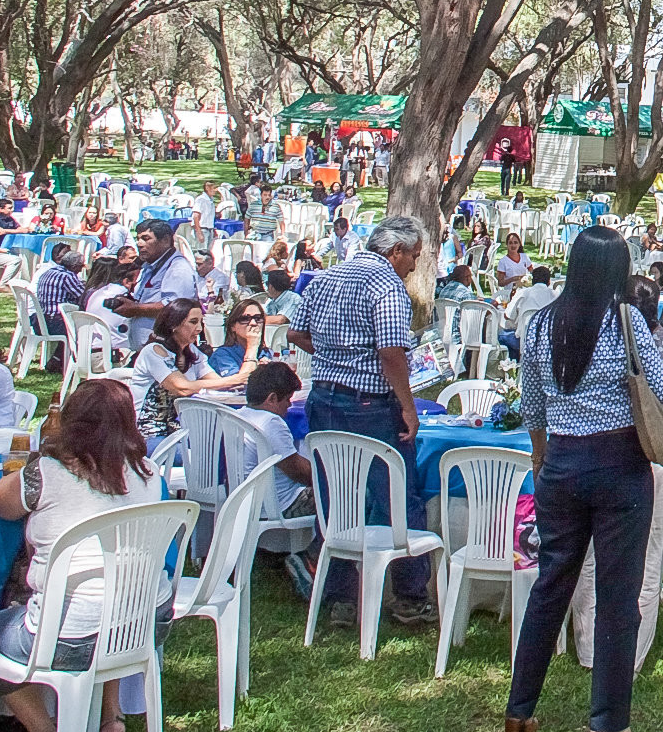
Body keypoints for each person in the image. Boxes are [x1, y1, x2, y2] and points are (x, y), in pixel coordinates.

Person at [506, 227, 663, 732]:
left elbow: (532, 406)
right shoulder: (625, 324)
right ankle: (608, 721)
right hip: (620, 464)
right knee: (617, 597)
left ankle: (519, 710)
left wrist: (543, 454)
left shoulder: (537, 326)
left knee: (550, 586)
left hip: (560, 461)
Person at [0, 378, 169, 732]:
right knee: (116, 592)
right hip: (148, 622)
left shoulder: (48, 473)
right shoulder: (149, 471)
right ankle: (110, 718)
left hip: (72, 636)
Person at [289, 216, 437, 629]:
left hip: (324, 398)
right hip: (369, 404)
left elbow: (296, 334)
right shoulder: (387, 286)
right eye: (413, 258)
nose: (413, 266)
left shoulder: (326, 277)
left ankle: (340, 598)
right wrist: (408, 406)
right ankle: (409, 597)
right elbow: (392, 351)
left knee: (335, 497)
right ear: (396, 252)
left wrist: (337, 352)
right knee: (397, 496)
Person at [569, 277, 663, 676]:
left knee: (594, 553)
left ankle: (591, 649)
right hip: (658, 454)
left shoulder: (595, 340)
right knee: (647, 555)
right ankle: (630, 654)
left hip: (605, 452)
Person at [133, 299, 250, 442]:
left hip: (180, 431)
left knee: (227, 442)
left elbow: (219, 383)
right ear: (174, 324)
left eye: (201, 322)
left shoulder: (192, 351)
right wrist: (236, 379)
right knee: (212, 451)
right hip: (150, 435)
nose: (200, 328)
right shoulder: (154, 351)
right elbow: (182, 388)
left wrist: (252, 346)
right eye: (193, 322)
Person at [235, 361, 314, 520]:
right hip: (282, 504)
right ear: (272, 398)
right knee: (351, 494)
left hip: (246, 502)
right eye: (287, 399)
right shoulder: (271, 423)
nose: (289, 405)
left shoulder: (239, 415)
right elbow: (300, 472)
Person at [112, 218, 199, 350]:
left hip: (166, 351)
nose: (139, 244)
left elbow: (176, 309)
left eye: (146, 238)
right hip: (147, 350)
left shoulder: (178, 268)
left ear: (165, 240)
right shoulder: (150, 266)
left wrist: (136, 309)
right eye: (138, 238)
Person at [499, 266, 558, 358]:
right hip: (547, 343)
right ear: (549, 281)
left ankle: (514, 363)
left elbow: (507, 315)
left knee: (501, 335)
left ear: (533, 280)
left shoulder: (523, 293)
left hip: (524, 342)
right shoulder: (555, 295)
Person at [82, 257, 136, 352]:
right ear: (127, 281)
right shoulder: (123, 295)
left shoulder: (96, 293)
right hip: (112, 354)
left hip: (88, 350)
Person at [207, 299, 267, 376]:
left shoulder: (266, 353)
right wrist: (252, 347)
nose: (253, 323)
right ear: (233, 326)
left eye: (258, 318)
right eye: (245, 319)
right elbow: (241, 384)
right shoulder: (222, 355)